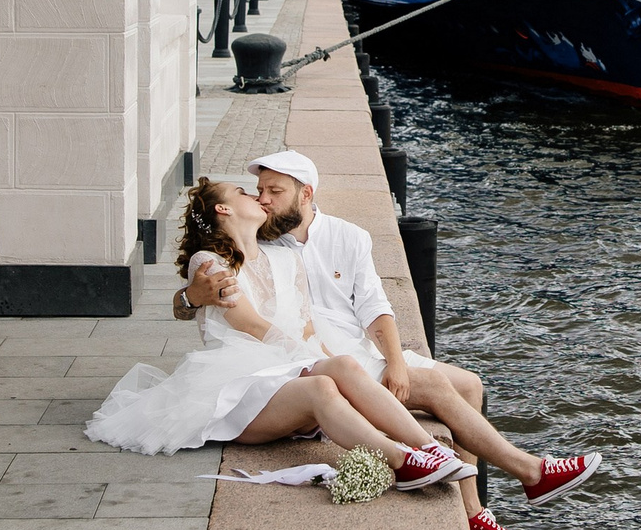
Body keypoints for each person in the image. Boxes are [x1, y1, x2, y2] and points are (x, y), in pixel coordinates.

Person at [177, 150, 599, 530]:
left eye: (274, 191)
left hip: (348, 349)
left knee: (470, 384)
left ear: (305, 193)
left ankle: (473, 511)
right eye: (258, 191)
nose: (263, 200)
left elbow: (375, 305)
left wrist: (395, 361)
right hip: (314, 358)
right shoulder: (258, 243)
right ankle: (527, 471)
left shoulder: (347, 236)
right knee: (432, 386)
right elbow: (213, 299)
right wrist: (190, 298)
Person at [83, 179, 472, 491]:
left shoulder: (286, 257)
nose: (256, 196)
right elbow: (249, 324)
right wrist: (311, 359)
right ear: (223, 209)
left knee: (340, 367)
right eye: (243, 193)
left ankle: (428, 449)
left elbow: (307, 326)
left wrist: (331, 360)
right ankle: (405, 462)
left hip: (288, 371)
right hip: (239, 379)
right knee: (321, 386)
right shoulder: (210, 262)